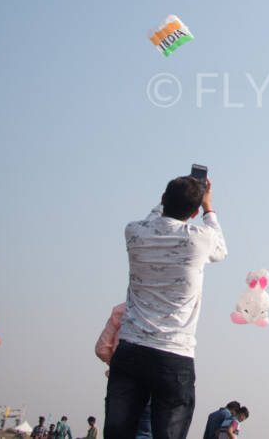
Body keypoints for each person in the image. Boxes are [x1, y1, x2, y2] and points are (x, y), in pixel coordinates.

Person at [104, 175, 228, 439]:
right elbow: (221, 251)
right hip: (174, 354)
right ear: (194, 213)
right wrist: (209, 206)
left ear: (162, 200)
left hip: (131, 348)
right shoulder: (199, 239)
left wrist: (175, 200)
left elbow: (152, 219)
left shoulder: (134, 232)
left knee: (117, 432)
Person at [96, 303, 152, 438]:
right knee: (144, 433)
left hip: (120, 384)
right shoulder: (166, 308)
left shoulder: (122, 310)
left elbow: (102, 348)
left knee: (116, 432)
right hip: (151, 383)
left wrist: (118, 364)